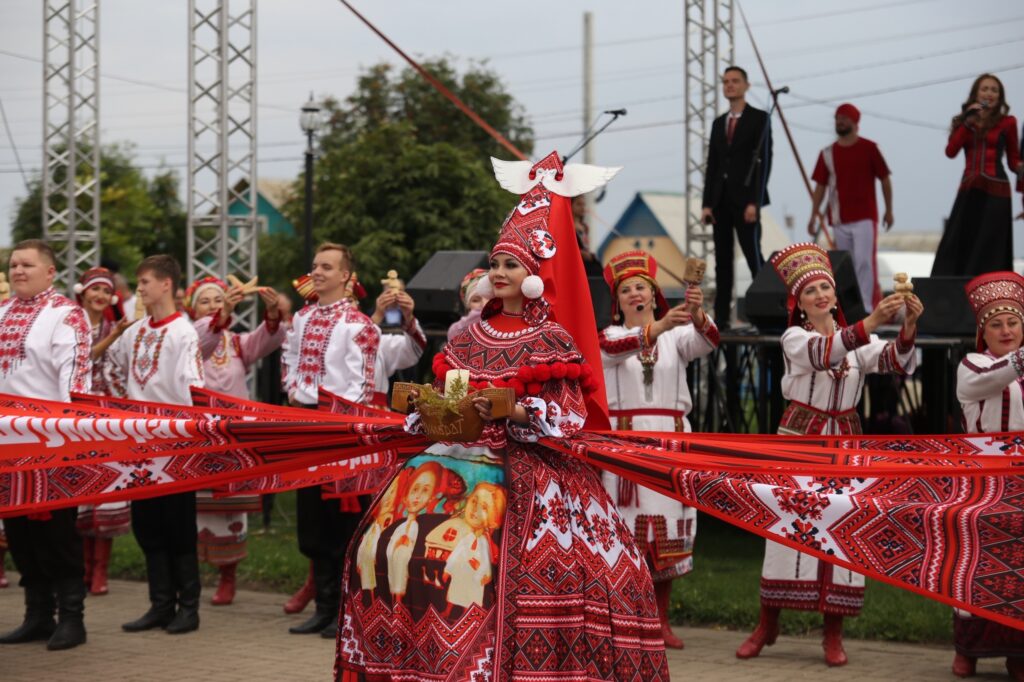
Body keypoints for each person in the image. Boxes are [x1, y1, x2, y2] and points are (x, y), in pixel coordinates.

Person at [335, 153, 668, 680]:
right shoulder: (469, 336)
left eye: (512, 265)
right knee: (382, 546)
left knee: (497, 561)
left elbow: (568, 417)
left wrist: (517, 409)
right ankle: (419, 660)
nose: (500, 272)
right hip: (455, 458)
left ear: (534, 275)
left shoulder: (550, 337)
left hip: (530, 468)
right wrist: (429, 407)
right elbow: (451, 396)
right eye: (496, 264)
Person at [733, 242, 922, 667]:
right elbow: (822, 354)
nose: (820, 295)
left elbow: (894, 360)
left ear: (836, 295)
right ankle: (767, 624)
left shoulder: (856, 341)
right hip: (799, 442)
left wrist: (909, 325)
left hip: (846, 447)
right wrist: (871, 322)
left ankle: (833, 634)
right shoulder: (794, 338)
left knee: (843, 531)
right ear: (798, 303)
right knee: (784, 531)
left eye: (825, 288)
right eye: (810, 291)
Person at [598, 249, 719, 649]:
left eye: (642, 287)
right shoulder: (609, 336)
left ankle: (660, 620)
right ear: (618, 302)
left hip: (670, 442)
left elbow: (708, 340)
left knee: (668, 534)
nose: (635, 294)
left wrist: (697, 313)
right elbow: (612, 350)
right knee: (624, 534)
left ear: (654, 294)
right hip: (625, 447)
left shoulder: (676, 337)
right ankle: (626, 620)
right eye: (626, 290)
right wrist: (662, 325)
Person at [281, 243, 381, 636]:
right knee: (312, 518)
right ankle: (324, 607)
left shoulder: (358, 324)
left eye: (326, 266)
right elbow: (288, 359)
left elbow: (362, 385)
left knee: (343, 521)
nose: (317, 272)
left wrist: (344, 427)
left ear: (345, 276)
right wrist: (292, 389)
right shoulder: (302, 317)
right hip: (307, 422)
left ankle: (346, 612)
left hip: (340, 427)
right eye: (315, 265)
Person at [0, 239, 92, 651]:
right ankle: (37, 615)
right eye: (13, 264)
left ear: (50, 271)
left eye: (27, 265)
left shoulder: (66, 315)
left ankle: (72, 618)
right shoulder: (1, 313)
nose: (18, 270)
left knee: (57, 534)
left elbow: (74, 380)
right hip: (6, 443)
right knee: (19, 534)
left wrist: (70, 434)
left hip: (50, 442)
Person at [108, 254, 205, 635]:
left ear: (166, 284)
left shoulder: (184, 332)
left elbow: (193, 389)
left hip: (175, 444)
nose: (140, 289)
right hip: (139, 445)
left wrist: (189, 434)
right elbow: (113, 366)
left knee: (178, 525)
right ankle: (160, 604)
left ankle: (189, 608)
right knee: (147, 525)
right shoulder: (134, 332)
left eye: (145, 282)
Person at [186, 276, 286, 606]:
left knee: (231, 510)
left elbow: (266, 339)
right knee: (195, 509)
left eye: (219, 299)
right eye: (205, 301)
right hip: (198, 435)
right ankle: (190, 576)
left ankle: (227, 577)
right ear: (193, 309)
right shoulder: (188, 339)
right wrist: (222, 314)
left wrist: (273, 314)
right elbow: (202, 339)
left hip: (231, 436)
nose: (213, 305)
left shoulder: (237, 344)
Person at [953, 271, 1024, 680]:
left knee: (1019, 564)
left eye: (1013, 322)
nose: (1006, 330)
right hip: (981, 478)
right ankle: (968, 650)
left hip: (1021, 480)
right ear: (983, 331)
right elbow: (995, 377)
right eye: (996, 324)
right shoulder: (972, 364)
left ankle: (1017, 652)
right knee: (975, 560)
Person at [74, 267, 132, 597]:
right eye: (94, 289)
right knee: (81, 492)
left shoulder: (115, 328)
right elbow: (81, 360)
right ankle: (84, 568)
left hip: (107, 420)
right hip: (76, 418)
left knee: (106, 491)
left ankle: (100, 570)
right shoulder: (71, 327)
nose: (99, 295)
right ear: (82, 292)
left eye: (105, 291)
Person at [701, 65, 772, 326]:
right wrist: (707, 204)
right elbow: (713, 164)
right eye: (726, 81)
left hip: (746, 201)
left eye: (735, 81)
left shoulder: (759, 118)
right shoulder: (719, 123)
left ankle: (766, 312)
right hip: (721, 201)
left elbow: (764, 162)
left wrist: (755, 201)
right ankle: (722, 319)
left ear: (746, 85)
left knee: (753, 256)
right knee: (722, 261)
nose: (730, 85)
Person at [932, 73, 1022, 276]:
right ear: (976, 93)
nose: (989, 93)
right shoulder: (965, 121)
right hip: (969, 188)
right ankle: (956, 290)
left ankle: (991, 290)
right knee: (958, 241)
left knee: (991, 246)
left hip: (997, 191)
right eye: (985, 89)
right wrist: (967, 122)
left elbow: (1013, 161)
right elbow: (951, 152)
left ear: (1000, 97)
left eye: (994, 90)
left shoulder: (1008, 122)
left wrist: (1021, 168)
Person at [808, 103, 893, 311]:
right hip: (839, 218)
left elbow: (884, 178)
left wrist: (889, 210)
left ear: (855, 122)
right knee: (846, 264)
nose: (840, 122)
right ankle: (848, 307)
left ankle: (866, 307)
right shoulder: (827, 153)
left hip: (865, 216)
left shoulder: (870, 148)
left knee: (864, 261)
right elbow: (820, 186)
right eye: (837, 118)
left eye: (844, 118)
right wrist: (813, 214)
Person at [447, 268, 490, 342]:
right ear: (468, 305)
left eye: (489, 297)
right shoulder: (455, 331)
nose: (484, 304)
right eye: (475, 300)